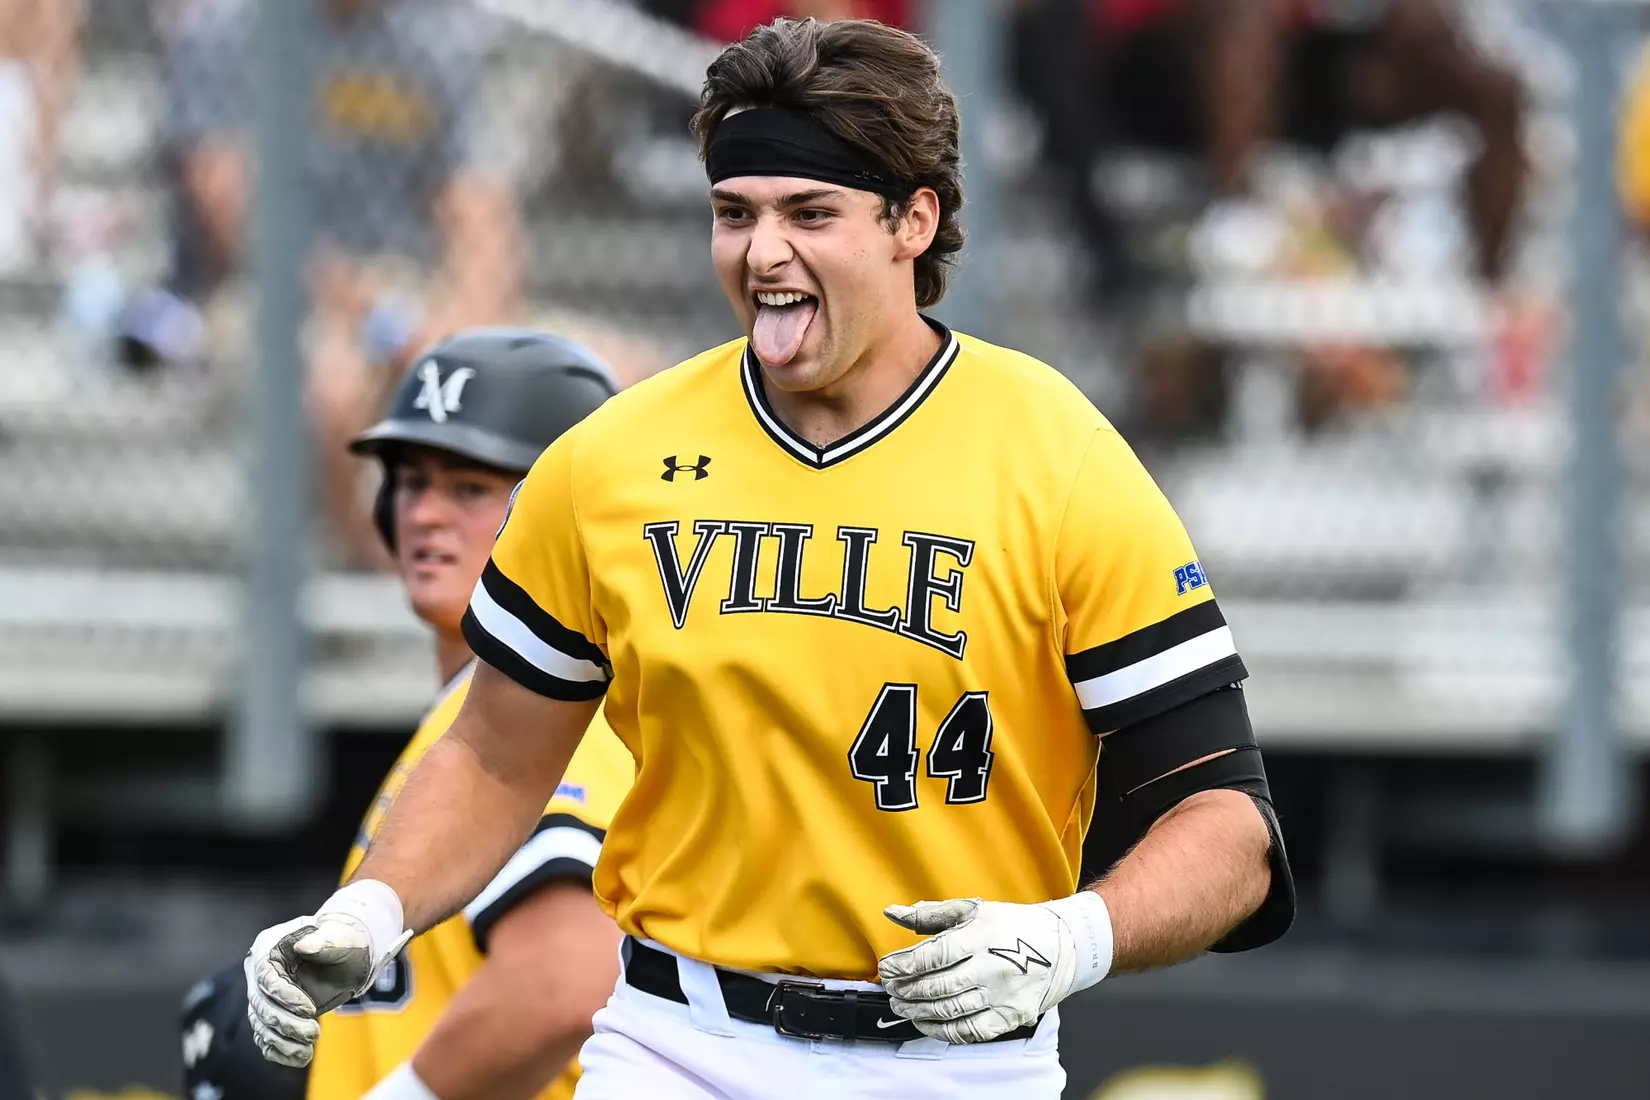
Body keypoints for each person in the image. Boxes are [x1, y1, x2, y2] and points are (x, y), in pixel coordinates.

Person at [243, 18, 1294, 1098]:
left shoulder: (1056, 454)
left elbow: (1228, 822)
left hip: (955, 1063)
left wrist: (1072, 937)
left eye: (810, 212)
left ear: (913, 221)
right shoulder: (613, 456)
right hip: (673, 1043)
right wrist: (369, 910)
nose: (764, 251)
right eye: (735, 212)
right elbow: (497, 753)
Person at [185, 329, 635, 1100]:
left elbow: (566, 977)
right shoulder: (470, 711)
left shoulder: (561, 715)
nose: (426, 513)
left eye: (470, 488)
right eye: (411, 480)